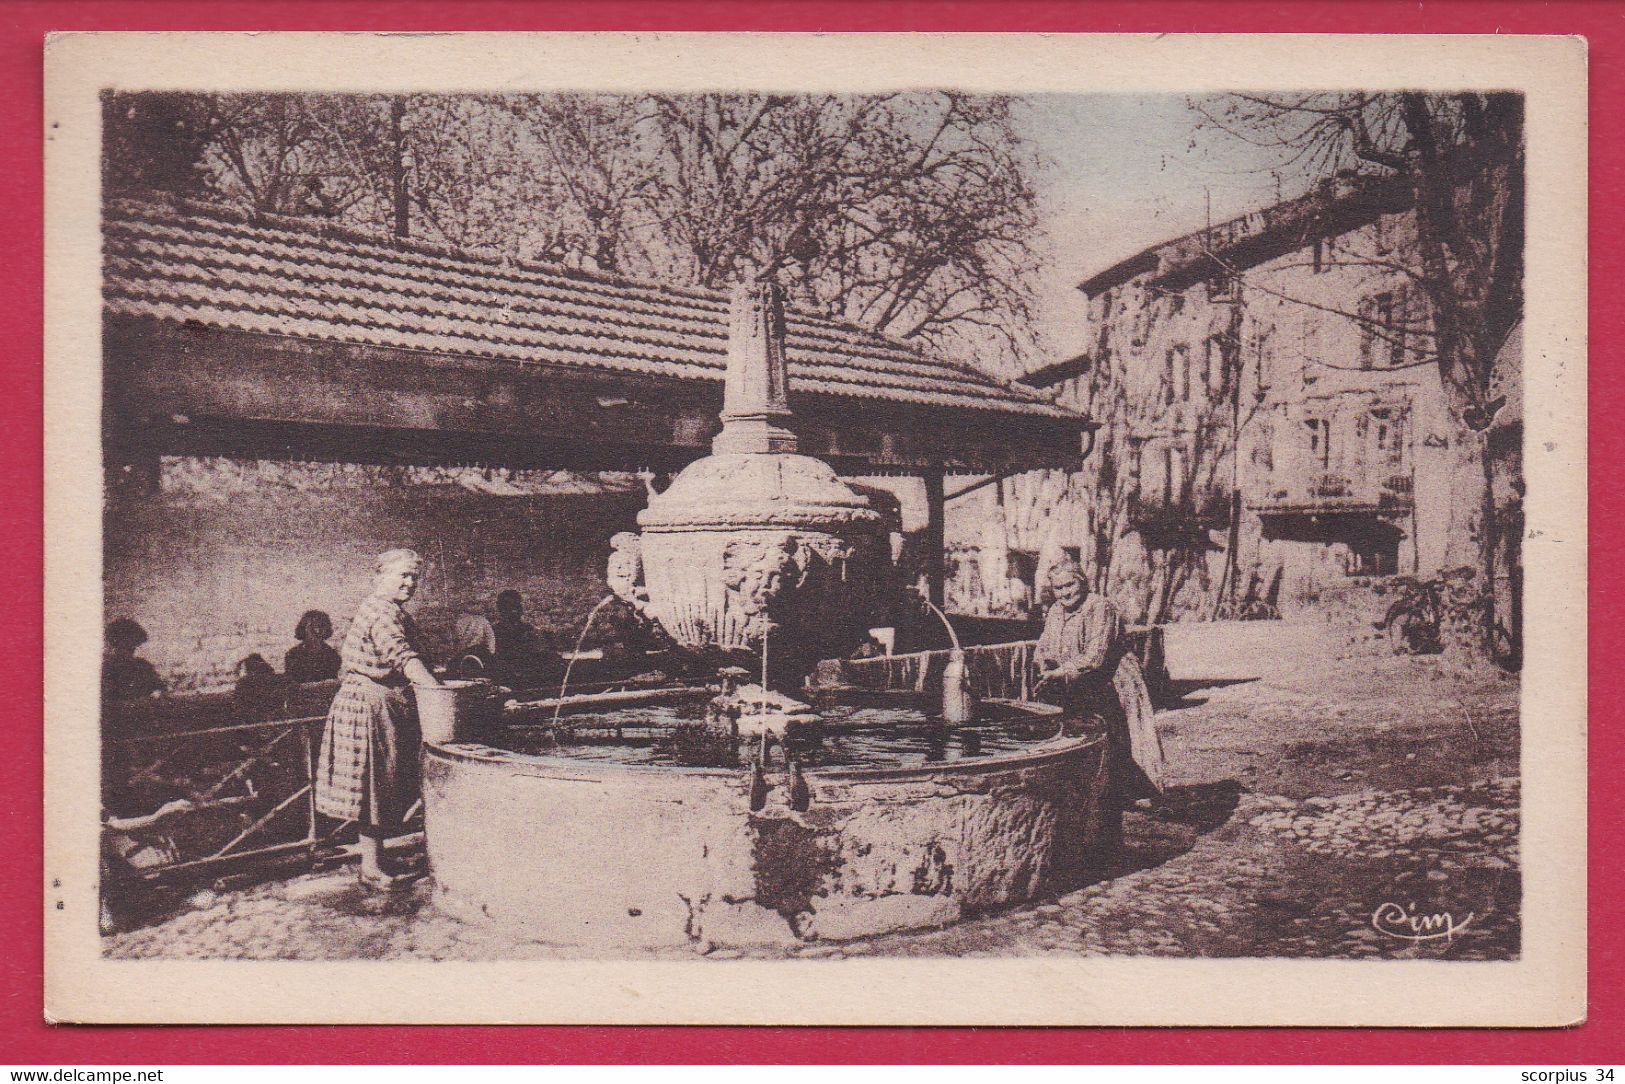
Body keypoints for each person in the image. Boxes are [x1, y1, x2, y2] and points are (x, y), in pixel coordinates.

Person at [315, 549, 441, 891]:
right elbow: (402, 657)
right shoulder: (381, 613)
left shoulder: (391, 610)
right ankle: (370, 867)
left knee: (383, 783)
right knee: (373, 785)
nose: (409, 583)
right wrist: (439, 692)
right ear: (379, 577)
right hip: (368, 705)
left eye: (414, 577)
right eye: (402, 576)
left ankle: (377, 857)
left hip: (381, 701)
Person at [1033, 562, 1162, 858]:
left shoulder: (1100, 607)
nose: (1064, 593)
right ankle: (1080, 839)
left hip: (1110, 686)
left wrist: (1063, 671)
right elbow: (1044, 644)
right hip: (1077, 687)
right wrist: (1043, 662)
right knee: (1081, 760)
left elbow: (1096, 656)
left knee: (1110, 761)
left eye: (1070, 585)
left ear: (1083, 582)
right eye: (1058, 588)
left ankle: (1107, 845)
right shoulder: (1055, 611)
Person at [102, 618, 164, 703]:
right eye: (126, 644)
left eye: (134, 644)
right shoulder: (107, 668)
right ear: (115, 643)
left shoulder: (143, 665)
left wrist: (155, 695)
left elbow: (160, 687)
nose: (132, 648)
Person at [284, 610, 341, 684]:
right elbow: (291, 684)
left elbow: (332, 684)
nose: (317, 631)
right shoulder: (293, 655)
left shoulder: (332, 655)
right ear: (304, 628)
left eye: (321, 626)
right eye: (312, 627)